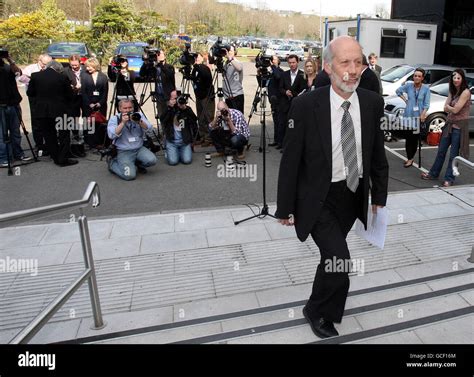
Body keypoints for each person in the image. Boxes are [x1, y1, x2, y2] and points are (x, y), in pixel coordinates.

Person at [275, 36, 388, 339]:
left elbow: (377, 154)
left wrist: (379, 197)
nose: (352, 69)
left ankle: (319, 305)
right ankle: (318, 312)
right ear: (328, 66)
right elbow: (290, 161)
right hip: (317, 198)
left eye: (358, 62)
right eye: (344, 62)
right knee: (340, 259)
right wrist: (284, 208)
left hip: (351, 194)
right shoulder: (305, 104)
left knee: (331, 258)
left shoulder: (373, 103)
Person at [421, 69, 471, 187]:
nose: (456, 80)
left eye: (458, 78)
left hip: (459, 126)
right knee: (441, 151)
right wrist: (450, 108)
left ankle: (449, 178)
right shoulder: (452, 91)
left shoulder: (465, 92)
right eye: (454, 78)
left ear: (462, 79)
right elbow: (445, 108)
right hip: (449, 124)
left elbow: (456, 109)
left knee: (453, 155)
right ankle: (433, 173)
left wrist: (450, 108)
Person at [26, 61, 75, 166]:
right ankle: (63, 158)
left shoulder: (35, 76)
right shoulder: (62, 78)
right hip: (60, 111)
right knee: (64, 135)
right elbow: (70, 95)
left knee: (49, 135)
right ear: (58, 69)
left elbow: (30, 93)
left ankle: (55, 157)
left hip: (42, 111)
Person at [107, 99, 157, 180]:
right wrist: (122, 123)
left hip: (138, 148)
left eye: (130, 108)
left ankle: (135, 164)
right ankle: (112, 164)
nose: (128, 110)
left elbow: (150, 129)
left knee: (152, 160)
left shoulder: (138, 115)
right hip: (124, 150)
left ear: (133, 108)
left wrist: (139, 122)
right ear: (120, 109)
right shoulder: (114, 119)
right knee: (130, 176)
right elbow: (111, 135)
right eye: (125, 108)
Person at [0, 51, 32, 167]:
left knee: (15, 131)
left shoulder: (7, 66)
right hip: (1, 105)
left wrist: (10, 60)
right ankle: (3, 157)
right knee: (2, 134)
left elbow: (18, 73)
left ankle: (18, 153)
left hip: (13, 103)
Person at [395, 68, 430, 168]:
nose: (416, 78)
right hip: (408, 115)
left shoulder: (426, 89)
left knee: (414, 139)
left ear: (422, 78)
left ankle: (410, 158)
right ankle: (409, 157)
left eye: (419, 76)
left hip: (418, 117)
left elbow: (426, 105)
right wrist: (406, 100)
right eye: (415, 76)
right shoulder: (409, 86)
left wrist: (423, 114)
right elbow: (398, 91)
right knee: (408, 138)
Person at [19, 54, 52, 154]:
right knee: (36, 120)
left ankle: (49, 143)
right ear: (39, 60)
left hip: (47, 96)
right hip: (34, 97)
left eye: (47, 64)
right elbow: (21, 78)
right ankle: (39, 144)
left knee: (48, 119)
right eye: (43, 64)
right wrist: (35, 81)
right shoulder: (31, 68)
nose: (44, 66)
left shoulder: (49, 68)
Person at [161, 90, 197, 165]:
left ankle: (178, 152)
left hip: (184, 142)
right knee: (173, 162)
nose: (176, 100)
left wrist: (185, 108)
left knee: (187, 161)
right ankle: (170, 152)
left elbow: (194, 120)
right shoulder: (168, 109)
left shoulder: (186, 109)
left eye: (177, 98)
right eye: (174, 98)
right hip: (172, 141)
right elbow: (163, 120)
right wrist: (169, 108)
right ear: (170, 99)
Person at [277, 54, 305, 150]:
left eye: (293, 62)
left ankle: (292, 145)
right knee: (283, 124)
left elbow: (303, 89)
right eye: (290, 63)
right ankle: (282, 144)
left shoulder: (302, 75)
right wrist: (285, 92)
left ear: (297, 62)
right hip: (284, 104)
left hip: (295, 104)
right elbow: (280, 88)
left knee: (293, 126)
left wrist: (293, 94)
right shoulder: (284, 74)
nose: (292, 64)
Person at [140, 49, 175, 118]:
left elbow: (169, 75)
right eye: (157, 54)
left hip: (169, 95)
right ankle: (163, 128)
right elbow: (142, 74)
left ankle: (169, 128)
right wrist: (146, 62)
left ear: (164, 56)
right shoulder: (154, 67)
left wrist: (160, 64)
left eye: (160, 54)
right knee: (161, 114)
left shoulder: (169, 67)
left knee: (171, 115)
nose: (158, 56)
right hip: (159, 95)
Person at [81, 58, 109, 148]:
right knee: (89, 124)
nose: (88, 68)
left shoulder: (103, 77)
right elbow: (83, 92)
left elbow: (105, 92)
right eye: (87, 66)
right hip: (88, 105)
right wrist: (89, 104)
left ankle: (100, 142)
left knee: (100, 124)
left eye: (89, 66)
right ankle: (89, 143)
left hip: (100, 105)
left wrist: (100, 103)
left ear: (95, 66)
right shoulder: (84, 76)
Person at [191, 52, 215, 145]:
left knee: (208, 117)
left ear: (202, 58)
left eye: (198, 57)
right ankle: (203, 136)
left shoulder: (204, 68)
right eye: (195, 57)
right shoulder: (195, 69)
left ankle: (210, 138)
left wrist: (198, 67)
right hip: (199, 96)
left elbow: (207, 78)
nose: (196, 58)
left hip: (206, 96)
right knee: (200, 117)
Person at [63, 55, 85, 143]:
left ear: (80, 62)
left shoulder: (85, 69)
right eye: (72, 65)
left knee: (86, 116)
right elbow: (63, 83)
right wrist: (70, 87)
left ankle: (87, 135)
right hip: (73, 97)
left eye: (76, 65)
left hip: (84, 96)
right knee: (74, 116)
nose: (74, 67)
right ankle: (75, 134)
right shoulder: (65, 71)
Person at [268, 55, 284, 147]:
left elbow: (278, 77)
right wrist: (259, 75)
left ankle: (280, 142)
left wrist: (273, 66)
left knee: (280, 122)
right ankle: (276, 140)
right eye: (271, 60)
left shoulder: (280, 72)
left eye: (274, 59)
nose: (272, 61)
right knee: (275, 122)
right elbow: (262, 84)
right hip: (273, 101)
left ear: (278, 61)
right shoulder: (271, 72)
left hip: (279, 100)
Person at [223, 45, 244, 114]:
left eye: (231, 51)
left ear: (235, 52)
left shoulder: (237, 62)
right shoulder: (225, 64)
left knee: (238, 117)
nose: (229, 52)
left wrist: (230, 59)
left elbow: (239, 68)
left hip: (236, 95)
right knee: (229, 118)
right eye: (228, 51)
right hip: (227, 96)